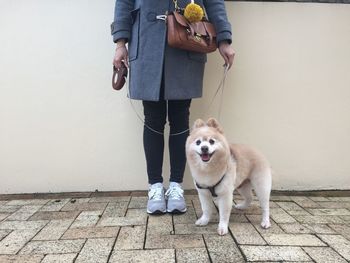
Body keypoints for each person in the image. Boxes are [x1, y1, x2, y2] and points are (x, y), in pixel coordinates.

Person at [111, 0, 235, 214]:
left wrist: (224, 38)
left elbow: (214, 2)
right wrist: (120, 43)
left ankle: (176, 185)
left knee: (180, 117)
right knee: (152, 118)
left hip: (186, 40)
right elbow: (124, 2)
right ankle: (155, 187)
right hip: (146, 42)